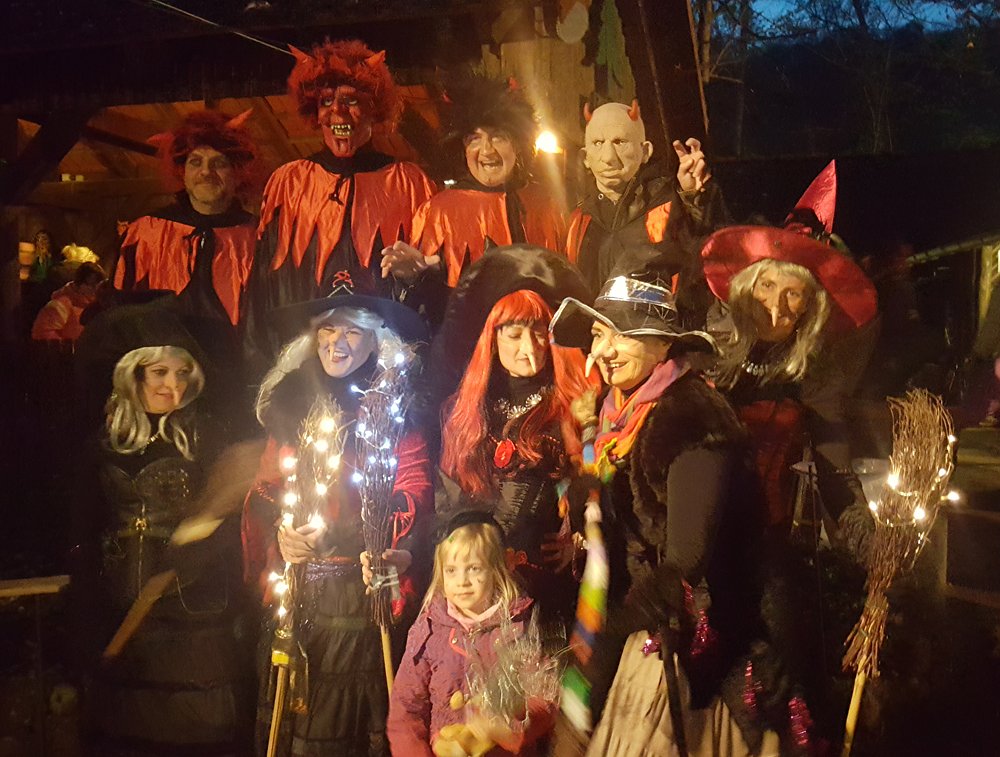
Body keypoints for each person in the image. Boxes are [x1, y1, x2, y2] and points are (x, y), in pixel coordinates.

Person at [551, 273, 801, 756]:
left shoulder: (690, 417)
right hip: (640, 611)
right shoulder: (617, 410)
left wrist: (615, 629)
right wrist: (588, 501)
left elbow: (688, 558)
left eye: (623, 335)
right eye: (599, 334)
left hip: (698, 629)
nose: (604, 350)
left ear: (664, 345)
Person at [241, 273, 434, 755]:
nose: (336, 342)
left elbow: (414, 490)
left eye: (351, 331)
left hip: (361, 592)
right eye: (327, 329)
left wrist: (388, 547)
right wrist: (282, 532)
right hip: (299, 588)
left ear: (375, 340)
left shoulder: (396, 409)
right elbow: (265, 488)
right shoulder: (292, 405)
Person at [72, 302, 251, 756]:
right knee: (128, 728)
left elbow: (230, 517)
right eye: (160, 373)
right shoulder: (105, 439)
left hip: (191, 603)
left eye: (183, 373)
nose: (174, 385)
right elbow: (86, 521)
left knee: (190, 730)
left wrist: (194, 553)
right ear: (134, 375)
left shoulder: (208, 435)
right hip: (123, 599)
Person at [244, 39, 436, 367]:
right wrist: (265, 367)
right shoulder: (289, 182)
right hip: (306, 364)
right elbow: (265, 284)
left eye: (350, 100)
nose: (337, 111)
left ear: (373, 108)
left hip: (385, 366)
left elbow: (427, 280)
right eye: (326, 101)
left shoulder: (409, 183)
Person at [700, 191, 879, 537]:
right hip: (690, 530)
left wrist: (867, 541)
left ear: (809, 307)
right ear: (746, 287)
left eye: (793, 293)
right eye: (766, 285)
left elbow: (836, 474)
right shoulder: (705, 348)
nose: (775, 305)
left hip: (763, 536)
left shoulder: (815, 375)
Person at [435, 245, 592, 622]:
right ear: (492, 338)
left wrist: (581, 540)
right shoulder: (464, 411)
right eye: (515, 334)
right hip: (474, 592)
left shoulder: (575, 407)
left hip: (543, 595)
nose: (529, 349)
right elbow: (446, 499)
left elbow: (594, 486)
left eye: (539, 334)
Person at [380, 76, 565, 324]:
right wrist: (413, 279)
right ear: (463, 148)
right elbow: (423, 309)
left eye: (498, 136)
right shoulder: (437, 212)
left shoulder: (546, 205)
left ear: (519, 144)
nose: (487, 150)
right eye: (474, 139)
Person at [387, 512, 555, 756]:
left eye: (474, 568)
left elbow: (544, 697)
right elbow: (406, 708)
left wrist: (508, 728)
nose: (462, 581)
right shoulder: (430, 630)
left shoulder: (518, 628)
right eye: (451, 570)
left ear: (497, 569)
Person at [566, 101, 725, 324]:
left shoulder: (666, 204)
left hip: (656, 338)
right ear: (585, 157)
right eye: (598, 143)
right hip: (595, 339)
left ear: (645, 151)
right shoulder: (579, 220)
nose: (608, 157)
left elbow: (701, 243)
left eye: (620, 142)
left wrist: (694, 198)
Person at [114, 110, 262, 336]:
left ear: (237, 172)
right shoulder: (145, 234)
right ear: (182, 172)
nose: (206, 172)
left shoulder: (258, 237)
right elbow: (120, 316)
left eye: (218, 163)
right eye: (195, 162)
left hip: (237, 357)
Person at [31, 261, 105, 341]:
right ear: (80, 284)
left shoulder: (97, 305)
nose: (95, 290)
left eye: (99, 286)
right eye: (92, 285)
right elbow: (42, 333)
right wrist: (68, 346)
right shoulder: (60, 306)